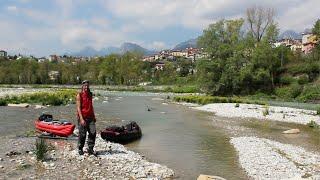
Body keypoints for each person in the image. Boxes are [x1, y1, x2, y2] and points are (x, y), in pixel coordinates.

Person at [77, 80, 96, 155]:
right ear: (82, 86)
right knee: (82, 134)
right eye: (85, 85)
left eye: (87, 85)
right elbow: (78, 108)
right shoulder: (79, 95)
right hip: (83, 117)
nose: (86, 87)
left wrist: (94, 116)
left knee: (93, 132)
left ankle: (90, 148)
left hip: (90, 117)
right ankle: (80, 148)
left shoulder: (90, 94)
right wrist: (81, 119)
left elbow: (91, 106)